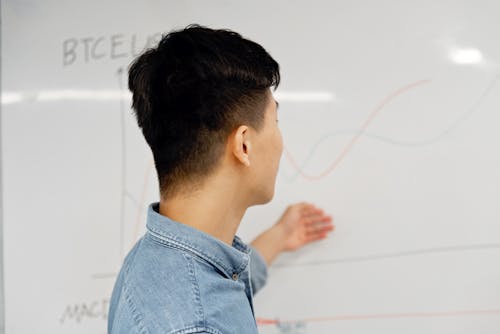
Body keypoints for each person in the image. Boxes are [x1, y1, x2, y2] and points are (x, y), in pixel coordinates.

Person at [108, 24, 335, 334]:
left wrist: (280, 236)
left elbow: (214, 289)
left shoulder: (153, 258)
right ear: (244, 145)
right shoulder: (196, 325)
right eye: (275, 122)